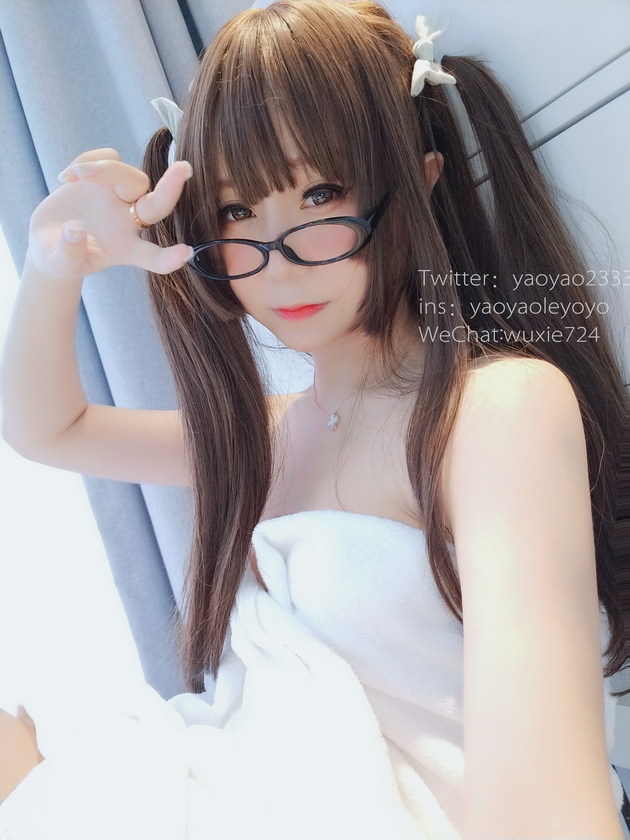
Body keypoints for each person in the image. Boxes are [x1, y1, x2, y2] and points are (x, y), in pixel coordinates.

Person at [0, 0, 628, 837]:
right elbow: (48, 429)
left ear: (419, 178)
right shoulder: (268, 435)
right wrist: (55, 263)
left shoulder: (494, 410)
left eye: (320, 194)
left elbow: (550, 817)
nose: (280, 259)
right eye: (236, 212)